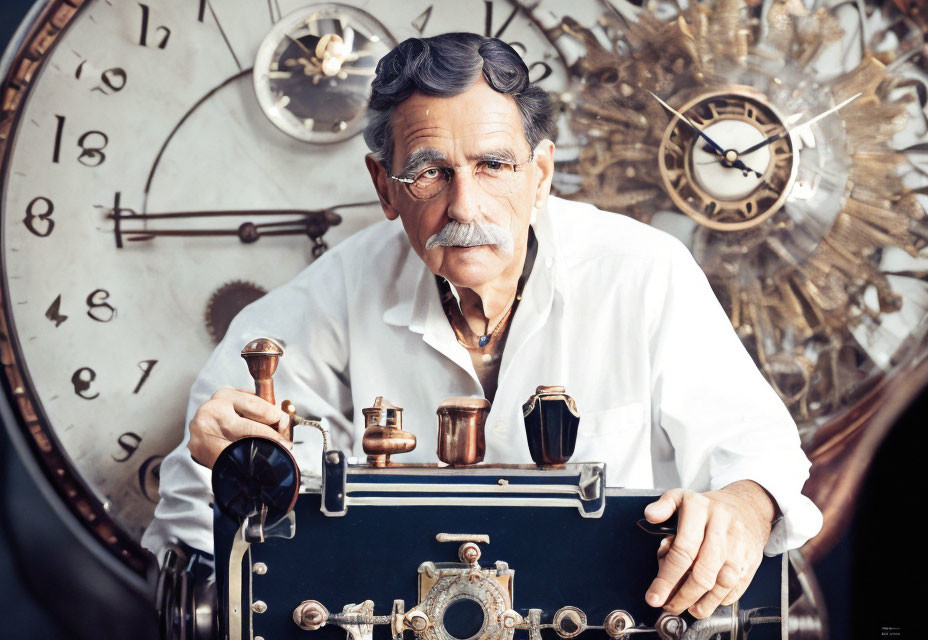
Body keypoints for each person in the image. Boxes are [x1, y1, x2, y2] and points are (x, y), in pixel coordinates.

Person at [143, 32, 822, 620]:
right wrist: (225, 463)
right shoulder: (332, 298)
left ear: (541, 174)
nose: (465, 206)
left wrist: (743, 505)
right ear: (385, 187)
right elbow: (185, 524)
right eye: (429, 172)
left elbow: (758, 455)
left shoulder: (643, 273)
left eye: (495, 165)